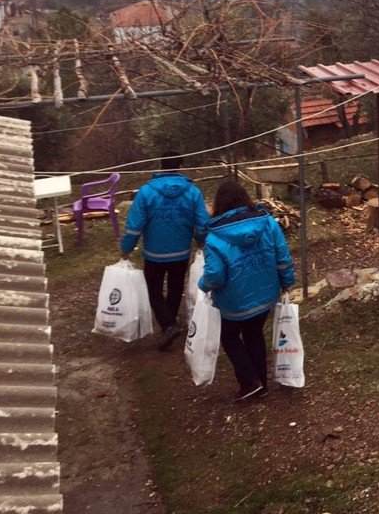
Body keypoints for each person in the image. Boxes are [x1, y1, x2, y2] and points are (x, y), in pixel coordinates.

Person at [198, 180, 295, 402]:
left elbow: (215, 275)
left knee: (230, 336)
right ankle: (261, 383)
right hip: (265, 294)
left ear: (219, 204)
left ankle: (249, 381)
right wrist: (287, 281)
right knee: (254, 333)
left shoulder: (215, 237)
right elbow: (282, 256)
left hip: (234, 301)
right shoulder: (267, 223)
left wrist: (202, 286)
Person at [120, 151, 209, 350]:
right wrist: (200, 240)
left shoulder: (146, 192)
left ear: (161, 165)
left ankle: (168, 325)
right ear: (180, 166)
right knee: (176, 287)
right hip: (181, 252)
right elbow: (203, 223)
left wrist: (126, 248)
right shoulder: (192, 192)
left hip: (154, 254)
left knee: (154, 290)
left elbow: (135, 225)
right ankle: (170, 323)